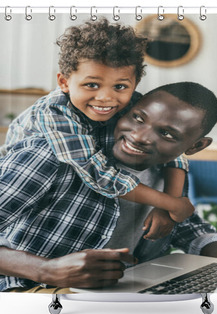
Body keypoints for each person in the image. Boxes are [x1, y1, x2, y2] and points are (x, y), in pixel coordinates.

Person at [0, 82, 217, 293]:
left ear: (196, 146)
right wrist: (45, 270)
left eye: (167, 133)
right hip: (29, 291)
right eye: (138, 118)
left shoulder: (169, 174)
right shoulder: (52, 157)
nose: (139, 136)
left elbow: (179, 221)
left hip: (119, 292)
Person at [0, 18, 193, 238]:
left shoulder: (135, 104)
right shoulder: (54, 113)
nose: (105, 97)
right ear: (64, 82)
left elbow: (174, 151)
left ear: (135, 84)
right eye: (91, 84)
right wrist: (172, 203)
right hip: (29, 193)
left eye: (120, 86)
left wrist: (168, 205)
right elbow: (98, 174)